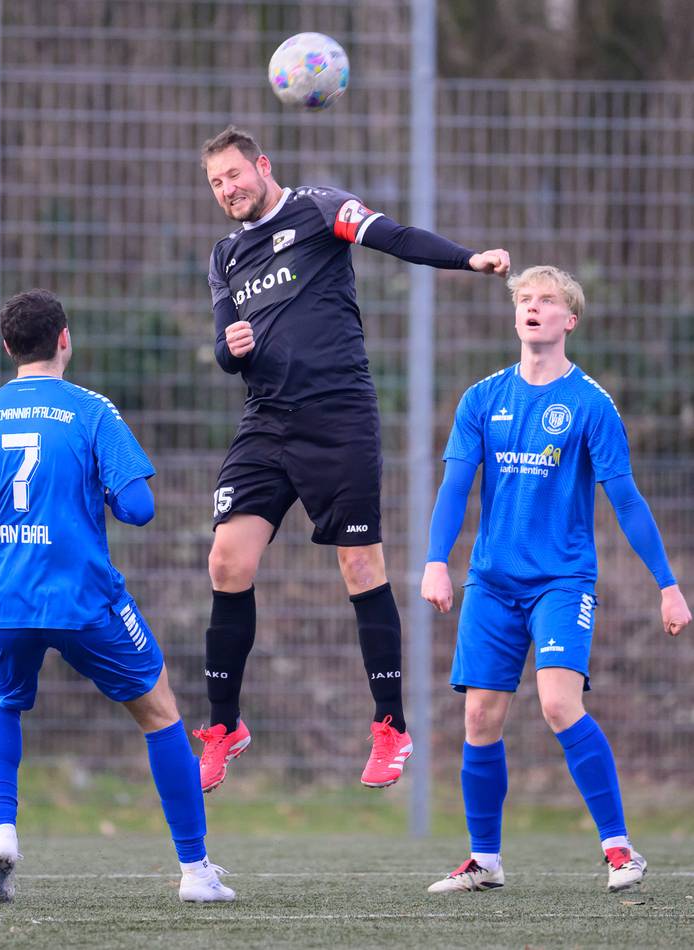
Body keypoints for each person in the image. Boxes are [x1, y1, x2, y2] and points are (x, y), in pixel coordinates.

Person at [194, 125, 511, 793]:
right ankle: (225, 725)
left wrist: (469, 259)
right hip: (265, 422)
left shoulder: (317, 208)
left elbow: (393, 237)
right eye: (216, 183)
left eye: (234, 175)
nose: (227, 190)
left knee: (360, 563)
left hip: (338, 417)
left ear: (262, 165)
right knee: (227, 560)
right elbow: (225, 348)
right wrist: (234, 348)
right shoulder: (224, 255)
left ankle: (390, 725)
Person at [0, 289, 234, 904]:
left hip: (4, 601)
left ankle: (1, 832)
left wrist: (1, 574)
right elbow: (139, 508)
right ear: (65, 339)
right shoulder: (92, 411)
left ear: (6, 347)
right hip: (83, 597)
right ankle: (195, 871)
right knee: (160, 713)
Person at [420, 265, 691, 894]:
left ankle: (620, 849)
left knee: (557, 704)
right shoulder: (481, 399)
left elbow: (625, 500)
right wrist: (437, 561)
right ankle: (485, 861)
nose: (532, 308)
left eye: (547, 301)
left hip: (562, 583)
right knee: (480, 718)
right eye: (524, 300)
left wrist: (667, 583)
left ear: (570, 320)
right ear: (515, 317)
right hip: (491, 584)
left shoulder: (590, 404)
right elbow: (455, 487)